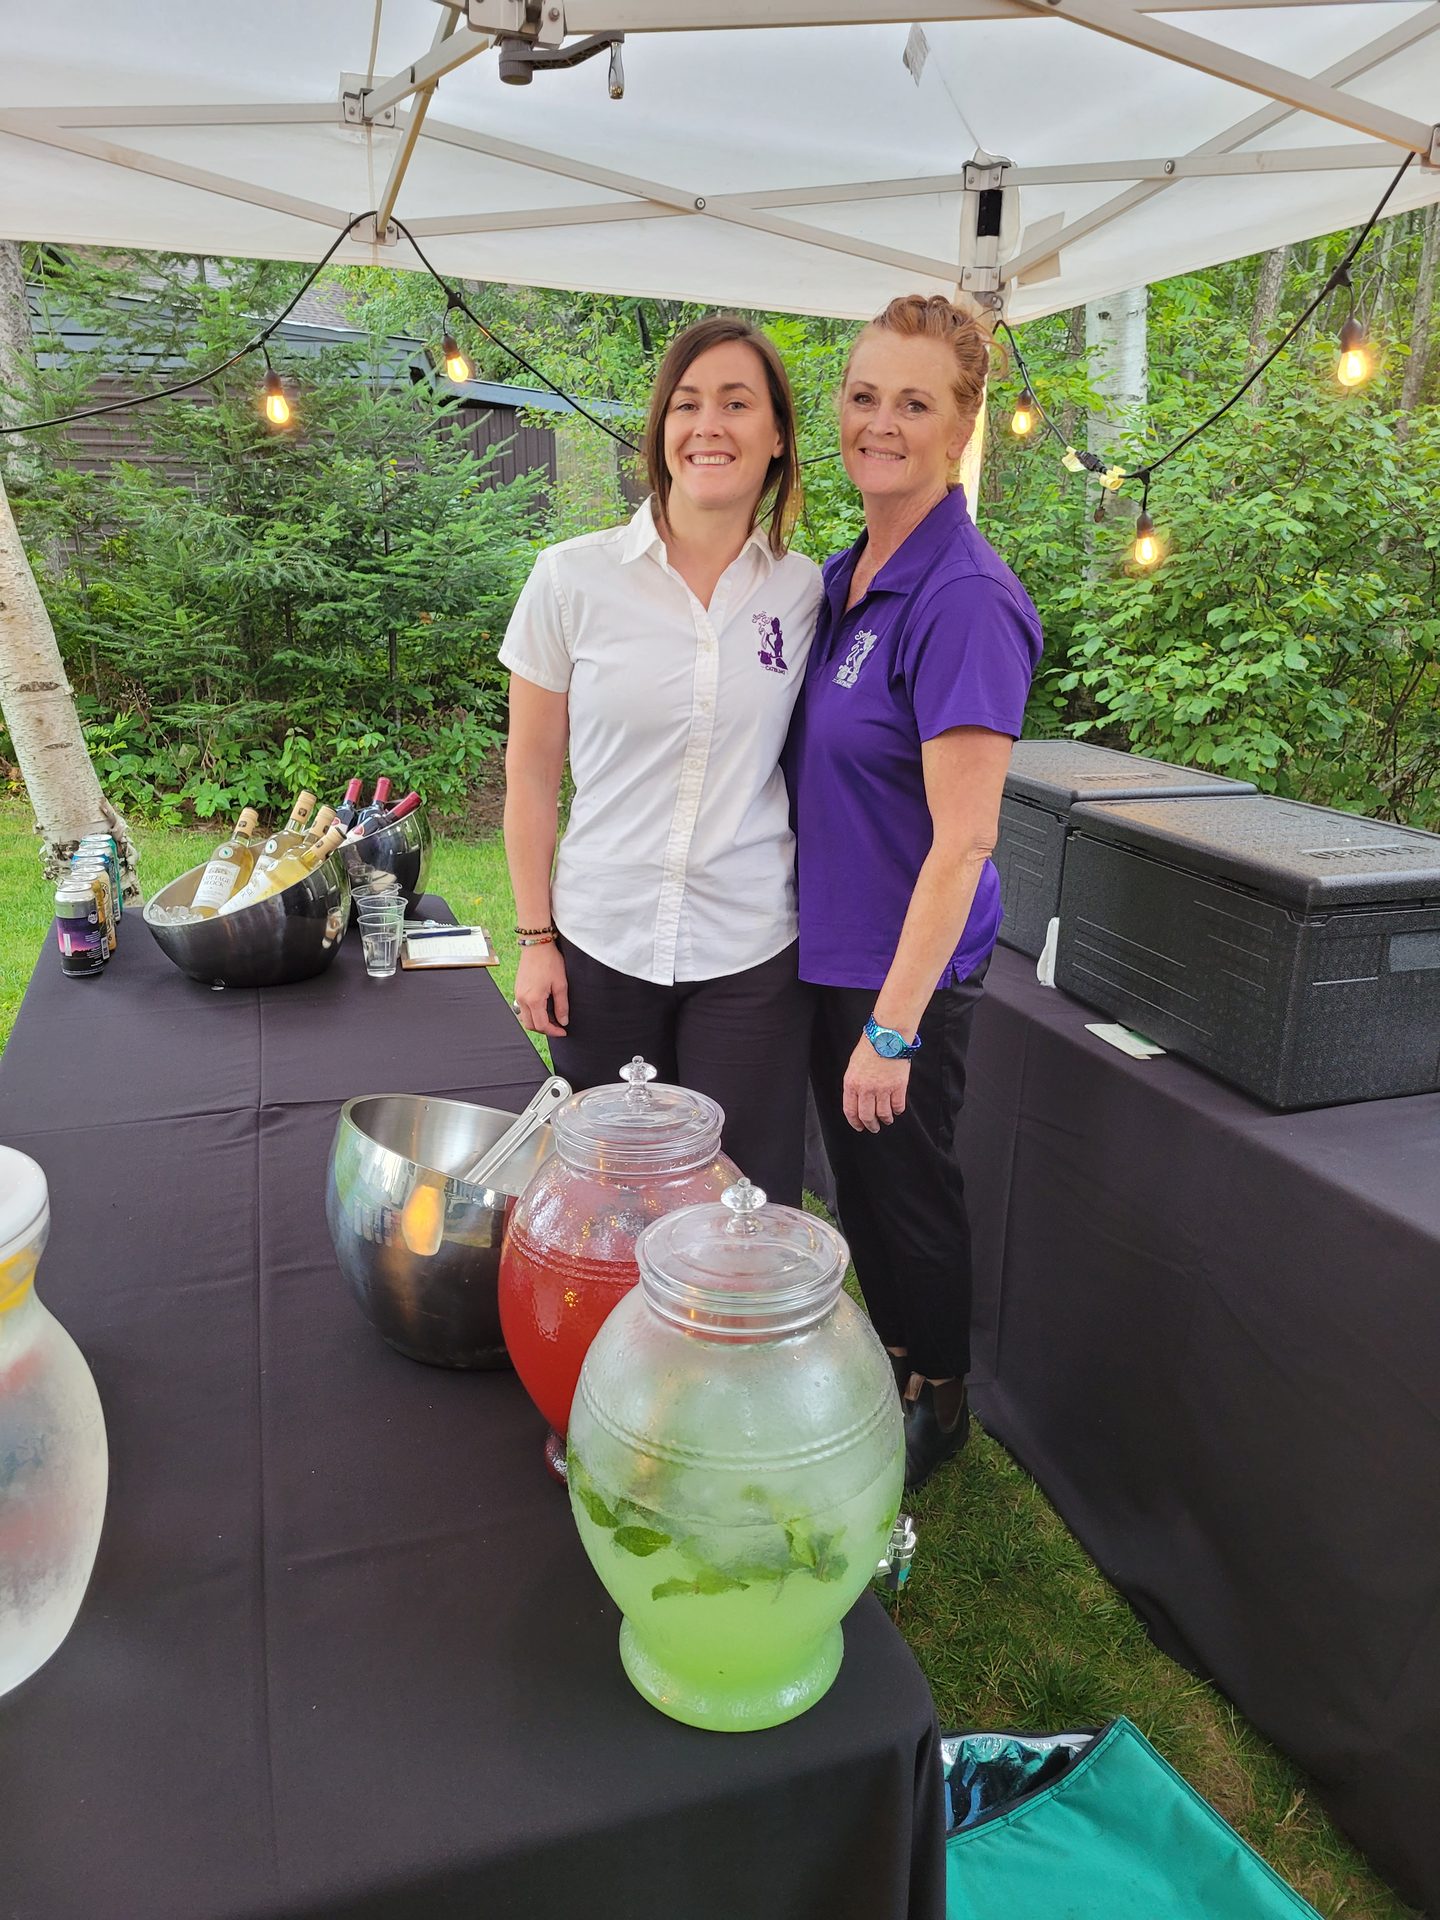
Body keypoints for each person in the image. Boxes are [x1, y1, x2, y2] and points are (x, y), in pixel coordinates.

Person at [787, 294, 1043, 1489]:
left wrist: (893, 1027)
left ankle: (940, 1396)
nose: (879, 423)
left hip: (906, 971)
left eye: (914, 403)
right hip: (830, 948)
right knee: (863, 1186)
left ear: (961, 427)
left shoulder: (964, 597)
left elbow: (965, 840)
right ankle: (888, 1358)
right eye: (862, 395)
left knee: (908, 1192)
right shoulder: (848, 574)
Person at [500, 318, 822, 1204]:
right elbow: (530, 775)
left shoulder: (805, 591)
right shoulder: (570, 579)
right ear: (660, 429)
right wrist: (535, 939)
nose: (708, 425)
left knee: (743, 1206)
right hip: (602, 943)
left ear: (778, 435)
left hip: (751, 952)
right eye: (687, 404)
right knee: (610, 1204)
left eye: (736, 403)